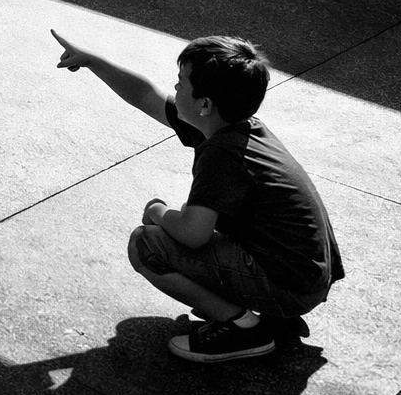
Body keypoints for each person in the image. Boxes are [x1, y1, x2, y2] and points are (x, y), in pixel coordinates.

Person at [50, 29, 344, 363]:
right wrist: (92, 61)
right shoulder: (236, 126)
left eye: (181, 82)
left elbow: (193, 234)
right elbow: (146, 95)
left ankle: (245, 328)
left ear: (204, 103)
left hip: (290, 286)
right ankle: (269, 314)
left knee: (147, 245)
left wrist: (158, 212)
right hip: (304, 276)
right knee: (194, 219)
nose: (174, 88)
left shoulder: (222, 152)